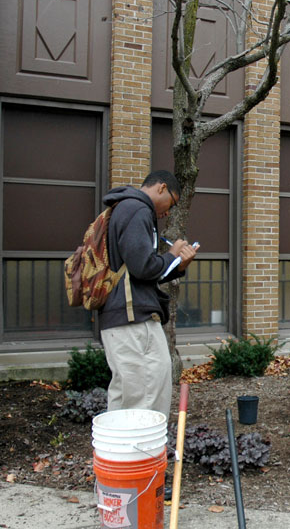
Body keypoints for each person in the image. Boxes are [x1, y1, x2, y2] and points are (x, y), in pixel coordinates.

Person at [98, 169, 199, 419]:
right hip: (133, 320)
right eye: (171, 204)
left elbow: (137, 272)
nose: (168, 213)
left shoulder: (124, 207)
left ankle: (121, 457)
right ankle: (143, 455)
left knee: (126, 397)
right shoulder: (137, 209)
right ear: (161, 188)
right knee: (147, 393)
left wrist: (177, 266)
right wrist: (172, 255)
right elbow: (143, 266)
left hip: (120, 318)